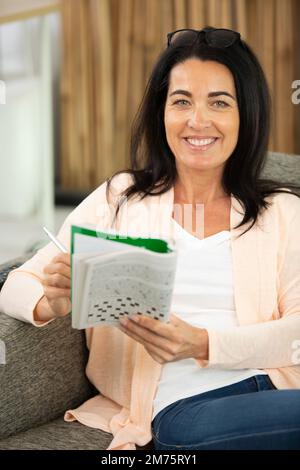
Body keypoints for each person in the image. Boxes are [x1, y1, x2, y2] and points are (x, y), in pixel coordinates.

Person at [1, 26, 300, 450]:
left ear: (245, 114)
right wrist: (51, 300)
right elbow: (14, 283)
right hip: (186, 410)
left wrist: (203, 343)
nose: (198, 121)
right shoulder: (121, 199)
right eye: (181, 101)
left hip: (279, 390)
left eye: (219, 102)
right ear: (162, 112)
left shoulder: (282, 211)